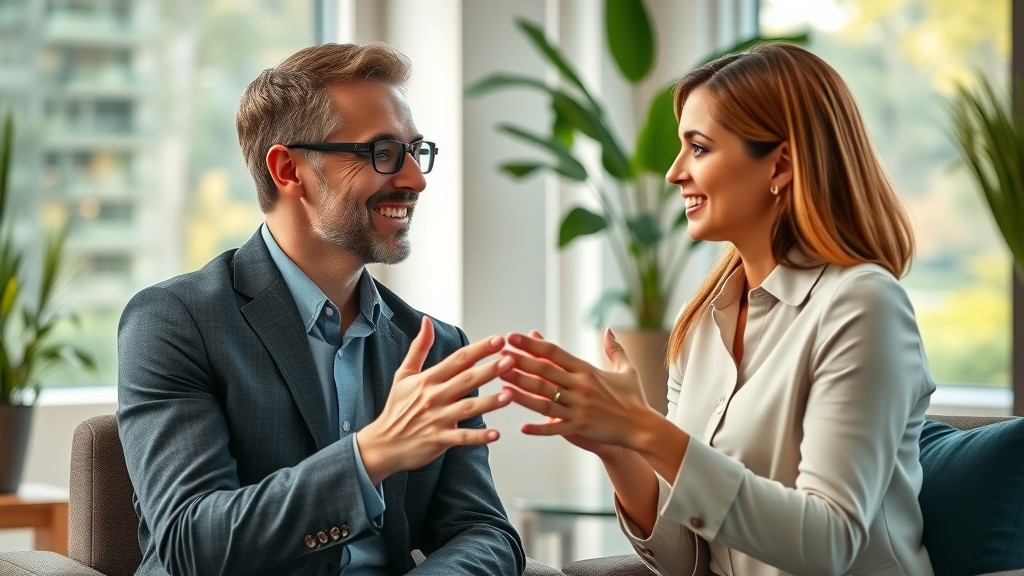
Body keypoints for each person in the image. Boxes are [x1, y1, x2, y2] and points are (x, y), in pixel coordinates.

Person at [501, 42, 935, 576]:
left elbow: (830, 543)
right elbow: (685, 558)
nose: (674, 172)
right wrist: (619, 449)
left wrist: (644, 429)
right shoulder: (703, 319)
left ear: (780, 163)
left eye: (699, 148)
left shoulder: (864, 306)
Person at [116, 42, 525, 576]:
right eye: (382, 152)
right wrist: (371, 454)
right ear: (289, 170)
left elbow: (484, 532)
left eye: (415, 151)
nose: (414, 179)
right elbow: (194, 543)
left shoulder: (435, 346)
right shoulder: (174, 322)